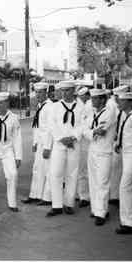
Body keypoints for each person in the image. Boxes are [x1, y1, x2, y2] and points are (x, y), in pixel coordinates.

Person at [46, 81, 85, 217]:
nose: (64, 93)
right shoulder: (55, 107)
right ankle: (56, 205)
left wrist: (73, 137)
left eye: (67, 90)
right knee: (55, 173)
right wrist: (63, 138)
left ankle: (68, 203)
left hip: (74, 144)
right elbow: (52, 124)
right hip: (59, 144)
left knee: (72, 174)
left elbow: (83, 124)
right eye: (62, 90)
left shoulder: (81, 106)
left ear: (73, 90)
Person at [82, 89, 116, 225]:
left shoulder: (109, 113)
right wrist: (91, 131)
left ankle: (101, 213)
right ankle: (96, 209)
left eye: (95, 99)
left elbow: (100, 131)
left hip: (104, 152)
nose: (92, 102)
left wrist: (91, 131)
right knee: (93, 181)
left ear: (102, 100)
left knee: (102, 182)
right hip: (93, 150)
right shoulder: (93, 114)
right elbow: (84, 130)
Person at [22, 82, 53, 205]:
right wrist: (35, 142)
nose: (38, 95)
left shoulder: (50, 107)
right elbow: (37, 127)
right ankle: (35, 194)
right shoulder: (41, 106)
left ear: (46, 93)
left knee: (47, 171)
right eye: (36, 92)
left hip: (46, 144)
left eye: (41, 92)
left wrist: (47, 147)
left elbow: (50, 129)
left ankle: (47, 197)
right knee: (37, 169)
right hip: (40, 144)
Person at [114, 92, 132, 234]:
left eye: (122, 100)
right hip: (126, 154)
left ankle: (128, 223)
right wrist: (119, 143)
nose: (118, 103)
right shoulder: (127, 116)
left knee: (125, 187)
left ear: (130, 102)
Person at [109, 85, 129, 206]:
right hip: (117, 143)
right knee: (115, 169)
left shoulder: (126, 111)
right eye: (116, 97)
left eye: (119, 97)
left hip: (127, 146)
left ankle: (123, 198)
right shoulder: (114, 108)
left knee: (125, 172)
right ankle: (114, 196)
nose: (117, 99)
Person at [76, 86, 92, 208]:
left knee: (85, 171)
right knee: (81, 170)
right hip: (80, 142)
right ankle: (83, 196)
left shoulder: (88, 106)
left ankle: (85, 196)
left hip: (87, 141)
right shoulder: (80, 106)